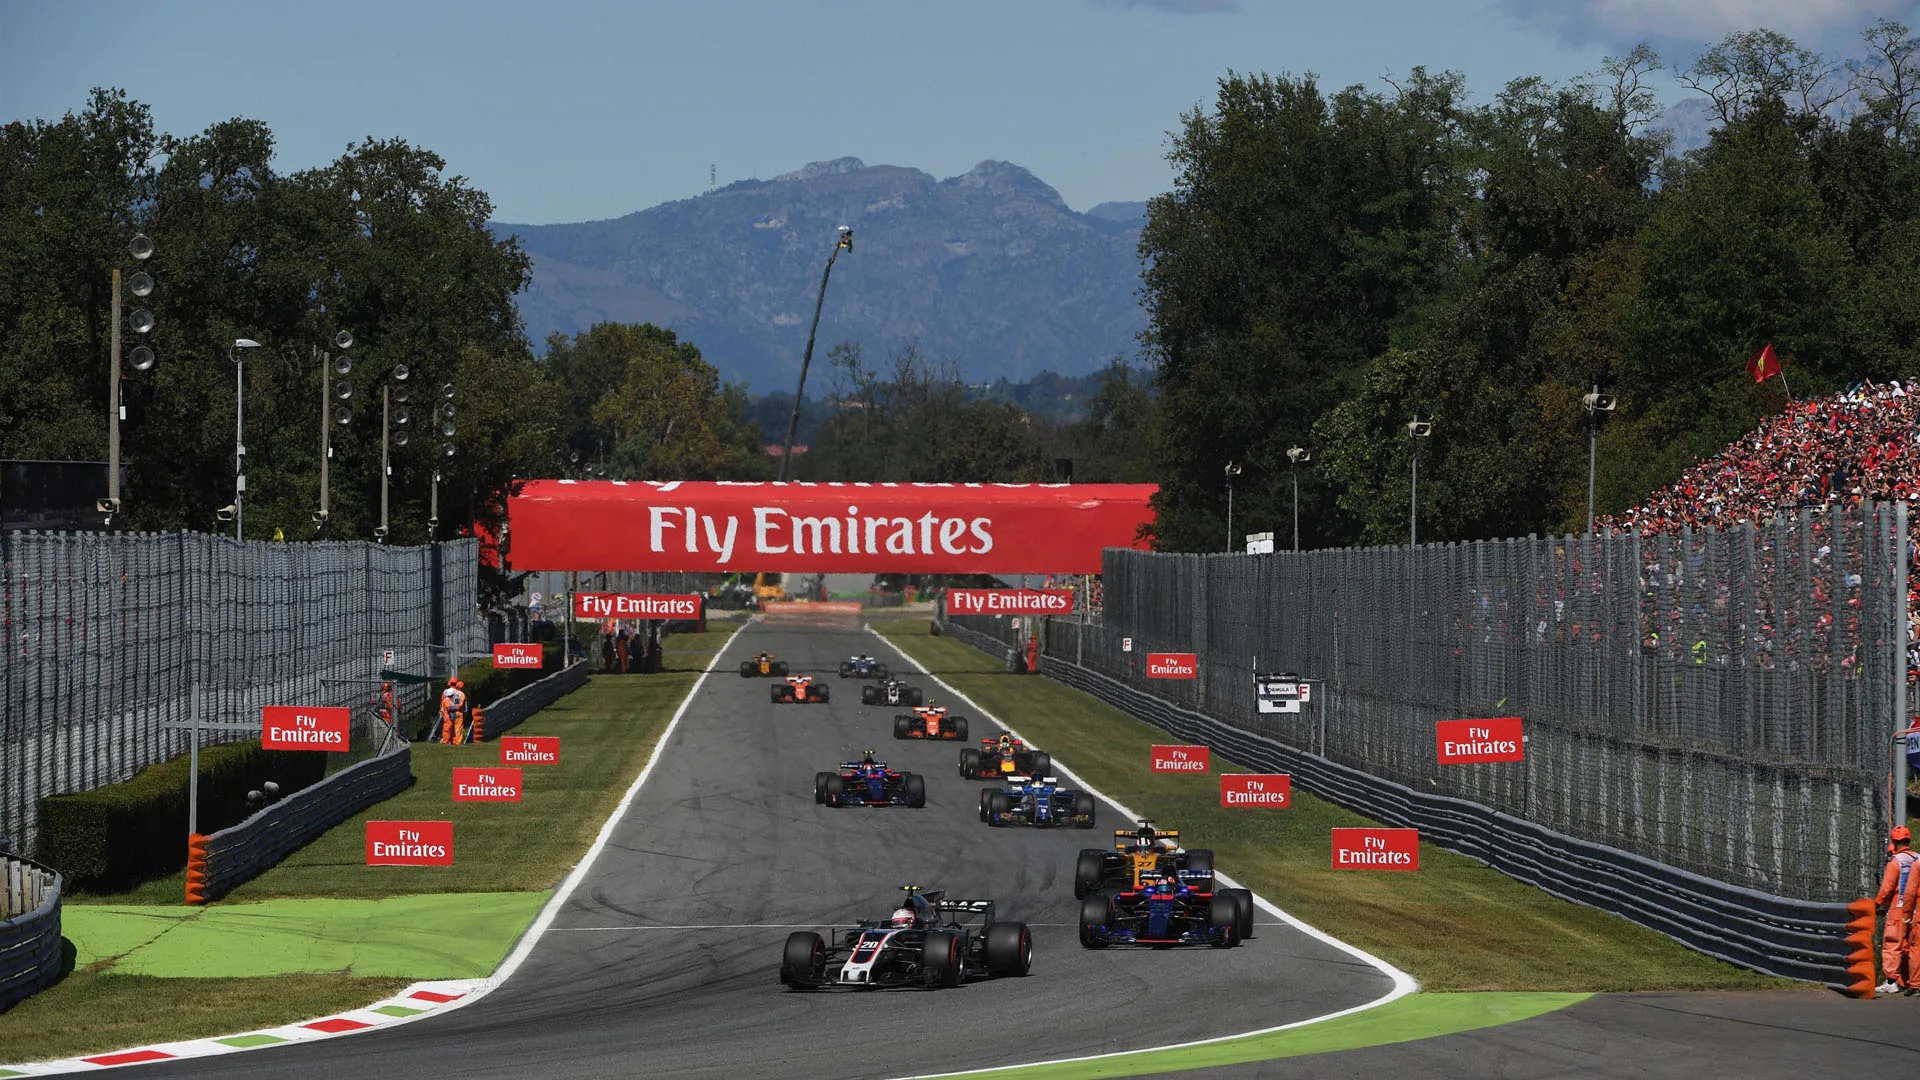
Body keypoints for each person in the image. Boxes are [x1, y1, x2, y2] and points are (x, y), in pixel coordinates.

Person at [1876, 825, 1920, 994]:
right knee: (1909, 945)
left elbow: (1887, 888)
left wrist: (1877, 903)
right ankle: (1908, 979)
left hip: (1898, 906)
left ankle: (1891, 981)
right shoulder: (1916, 857)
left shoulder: (1896, 862)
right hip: (1915, 909)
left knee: (1892, 943)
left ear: (1894, 842)